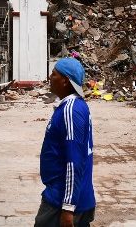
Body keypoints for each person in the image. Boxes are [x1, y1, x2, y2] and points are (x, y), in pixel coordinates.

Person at [36, 57, 95, 227]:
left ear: (65, 81)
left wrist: (68, 208)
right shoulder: (75, 106)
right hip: (72, 196)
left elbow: (74, 161)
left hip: (61, 200)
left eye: (54, 74)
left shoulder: (71, 110)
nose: (50, 77)